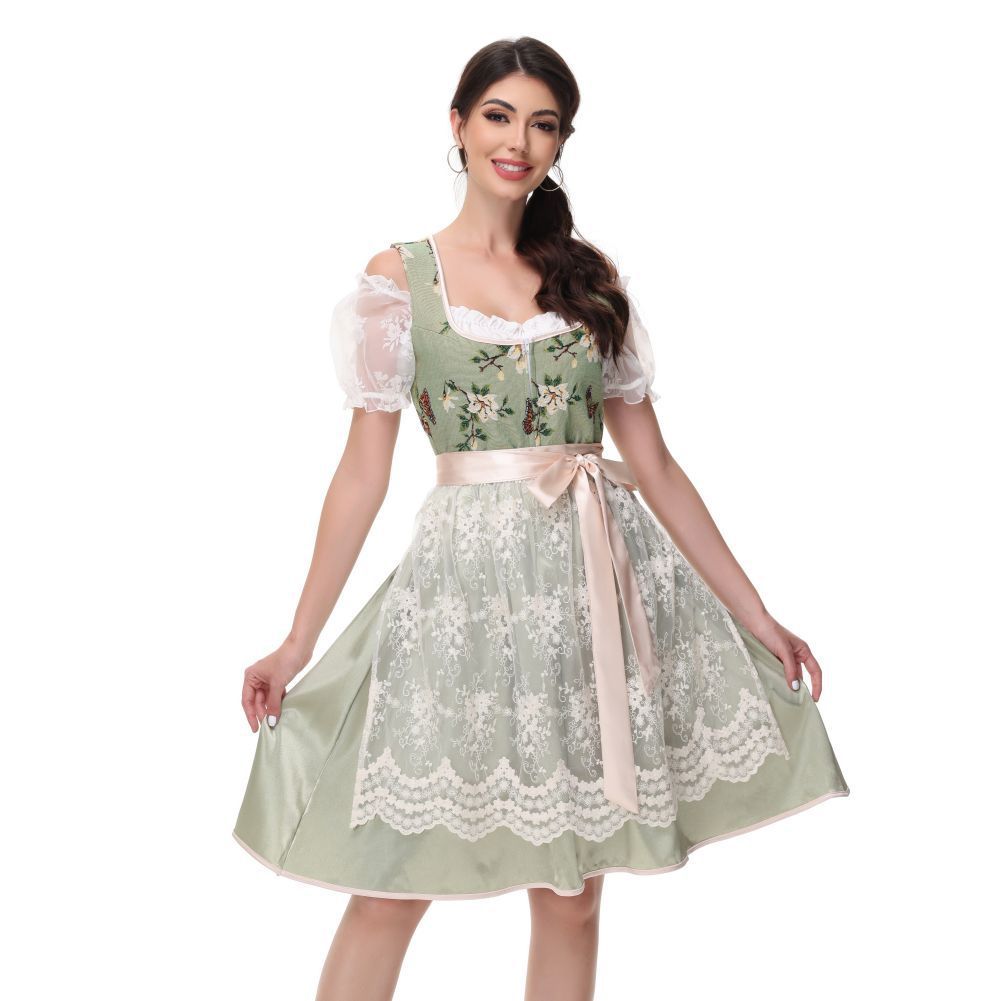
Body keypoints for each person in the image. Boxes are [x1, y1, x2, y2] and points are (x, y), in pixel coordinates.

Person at [233, 36, 850, 1001]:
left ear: (562, 142)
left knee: (572, 892)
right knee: (390, 879)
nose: (517, 141)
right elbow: (360, 475)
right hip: (464, 595)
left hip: (588, 586)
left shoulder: (586, 274)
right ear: (457, 124)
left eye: (542, 123)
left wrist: (758, 615)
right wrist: (295, 640)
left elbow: (653, 465)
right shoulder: (401, 276)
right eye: (497, 115)